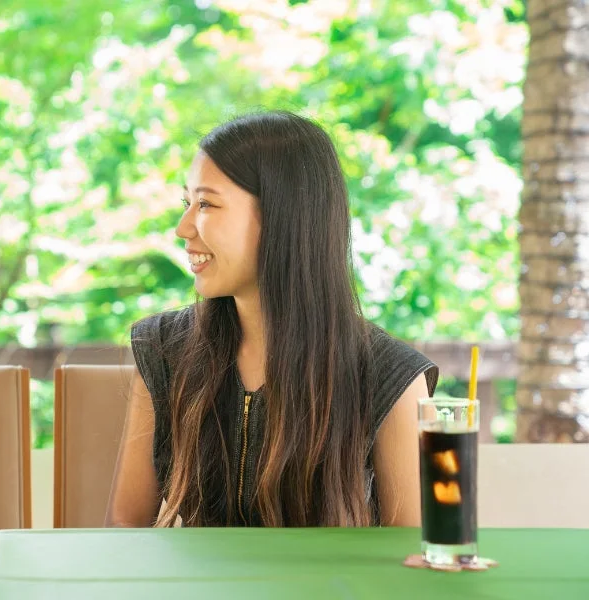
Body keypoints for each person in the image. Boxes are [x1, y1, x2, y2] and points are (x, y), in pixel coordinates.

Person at [105, 110, 439, 528]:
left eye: (206, 203)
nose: (183, 227)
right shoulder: (164, 349)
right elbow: (124, 529)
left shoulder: (388, 374)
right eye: (186, 202)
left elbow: (408, 558)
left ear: (283, 216)